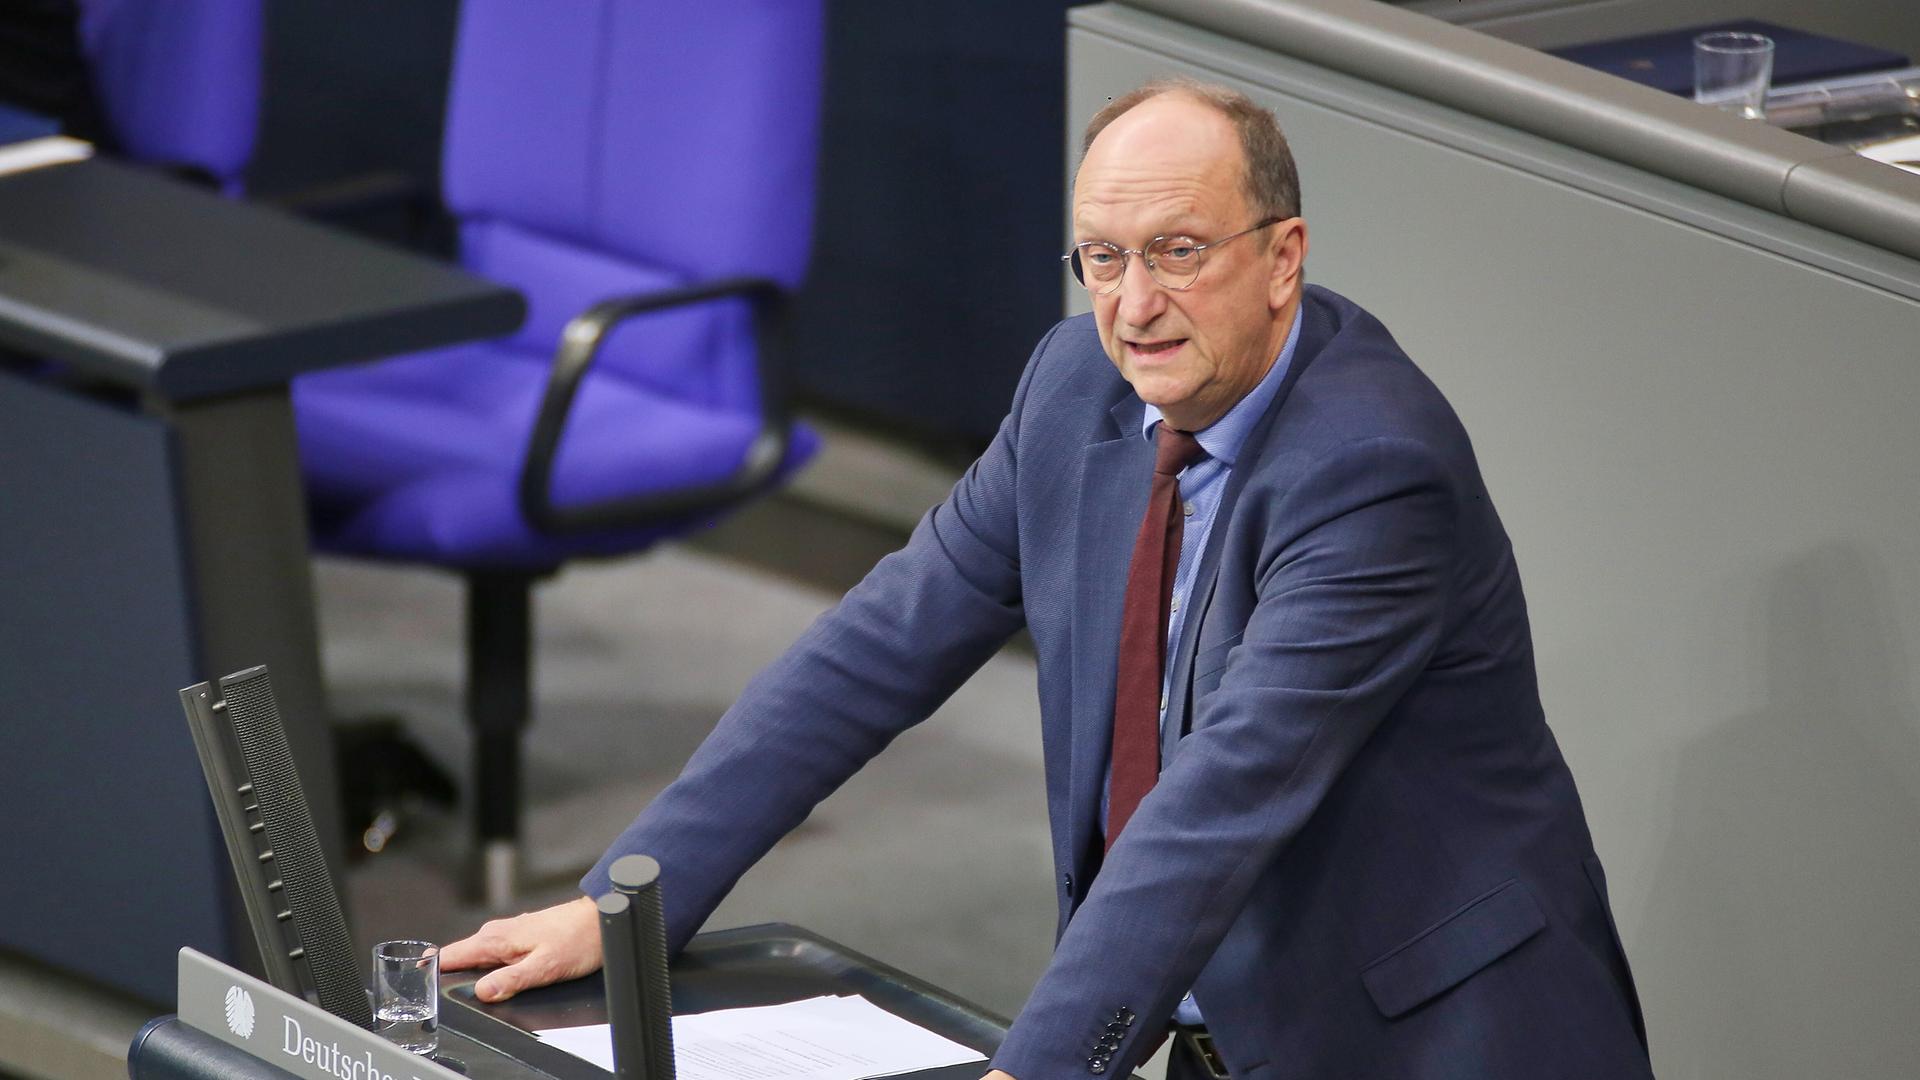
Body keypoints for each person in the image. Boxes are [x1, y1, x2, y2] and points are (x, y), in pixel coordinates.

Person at [442, 78, 1653, 1079]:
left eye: (1178, 253)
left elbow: (1219, 799)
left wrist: (1039, 1068)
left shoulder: (1375, 473)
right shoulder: (1076, 385)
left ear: (1284, 258)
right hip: (1216, 1010)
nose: (1135, 307)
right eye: (1103, 258)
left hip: (1431, 1032)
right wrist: (622, 910)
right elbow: (873, 651)